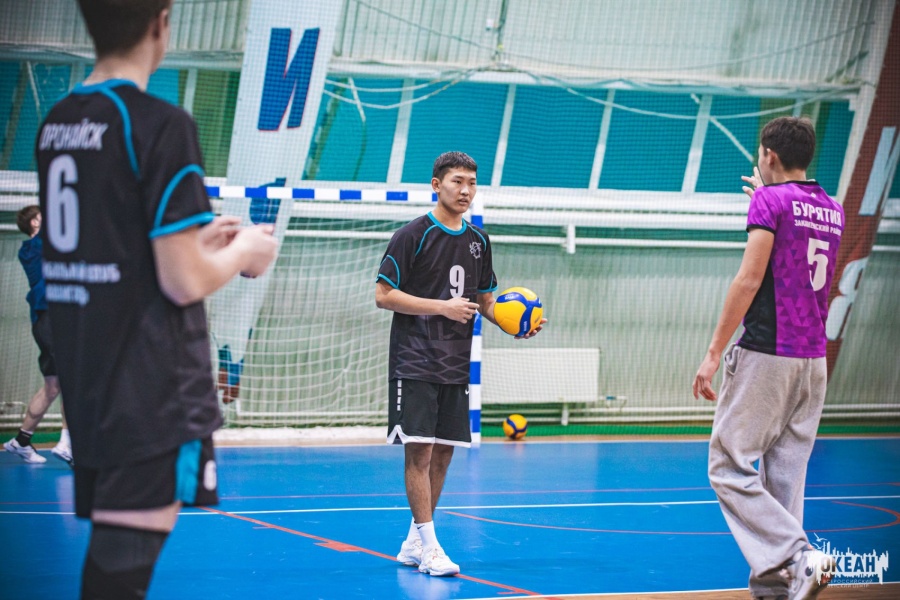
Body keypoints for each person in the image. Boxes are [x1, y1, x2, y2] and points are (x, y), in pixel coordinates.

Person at [37, 1, 279, 598]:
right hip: (150, 380)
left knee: (116, 551)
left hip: (91, 371)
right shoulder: (158, 122)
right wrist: (245, 251)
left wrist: (198, 239)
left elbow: (109, 246)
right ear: (161, 23)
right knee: (126, 560)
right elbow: (183, 282)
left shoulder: (58, 122)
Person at [692, 117, 844, 600]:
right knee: (785, 476)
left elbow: (749, 279)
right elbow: (794, 246)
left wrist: (713, 353)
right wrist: (768, 197)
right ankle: (778, 586)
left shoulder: (770, 202)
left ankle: (798, 558)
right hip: (813, 361)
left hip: (768, 353)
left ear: (768, 155)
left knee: (727, 465)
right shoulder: (833, 208)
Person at [375, 151, 544, 577]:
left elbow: (486, 300)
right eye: (457, 181)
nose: (465, 190)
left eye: (471, 182)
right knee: (419, 451)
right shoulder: (412, 235)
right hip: (415, 359)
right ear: (436, 185)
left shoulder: (479, 241)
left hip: (455, 363)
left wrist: (513, 324)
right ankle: (431, 548)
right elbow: (383, 295)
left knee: (444, 454)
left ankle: (415, 541)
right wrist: (441, 307)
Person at [3, 206, 73, 466]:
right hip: (49, 320)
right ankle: (67, 443)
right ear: (34, 223)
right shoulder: (34, 247)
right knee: (72, 380)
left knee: (53, 387)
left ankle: (21, 441)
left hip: (48, 322)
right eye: (43, 217)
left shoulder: (44, 248)